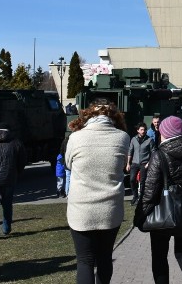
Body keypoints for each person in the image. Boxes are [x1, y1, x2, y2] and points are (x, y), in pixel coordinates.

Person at [66, 99, 130, 284]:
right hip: (110, 208)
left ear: (88, 115)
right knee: (104, 258)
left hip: (81, 209)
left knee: (84, 261)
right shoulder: (122, 137)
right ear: (113, 117)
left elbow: (69, 164)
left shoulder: (76, 137)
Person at [141, 115, 182, 284]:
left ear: (164, 133)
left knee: (159, 256)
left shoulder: (159, 155)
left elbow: (150, 190)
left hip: (164, 210)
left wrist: (142, 213)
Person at [127, 123, 153, 206]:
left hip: (144, 163)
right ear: (138, 130)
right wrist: (128, 163)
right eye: (141, 130)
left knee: (142, 181)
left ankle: (141, 198)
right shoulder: (133, 139)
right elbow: (130, 151)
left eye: (144, 129)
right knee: (131, 179)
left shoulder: (149, 140)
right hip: (134, 162)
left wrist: (149, 163)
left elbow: (154, 152)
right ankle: (135, 196)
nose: (143, 131)